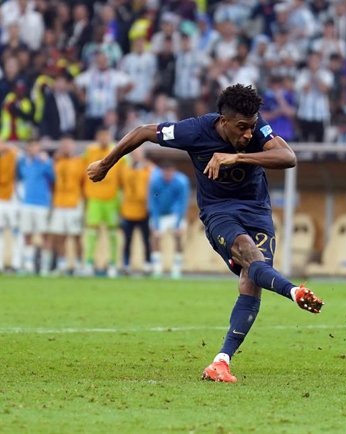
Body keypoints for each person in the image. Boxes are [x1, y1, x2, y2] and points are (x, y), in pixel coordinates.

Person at [86, 84, 324, 383]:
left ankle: (221, 361)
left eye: (251, 126)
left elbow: (287, 157)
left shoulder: (256, 126)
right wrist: (106, 164)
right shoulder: (194, 131)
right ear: (223, 121)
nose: (249, 134)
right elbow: (143, 132)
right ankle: (294, 291)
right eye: (242, 128)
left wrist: (237, 157)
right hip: (219, 212)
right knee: (251, 256)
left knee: (253, 279)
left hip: (258, 210)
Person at [83, 126, 123, 277]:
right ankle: (88, 263)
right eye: (101, 136)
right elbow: (82, 172)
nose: (103, 139)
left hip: (112, 199)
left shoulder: (118, 152)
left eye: (106, 136)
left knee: (113, 233)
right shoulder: (89, 151)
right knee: (92, 232)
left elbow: (123, 176)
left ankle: (113, 264)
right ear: (97, 137)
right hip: (94, 198)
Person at [47, 137, 85, 275]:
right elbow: (50, 182)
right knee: (58, 236)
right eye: (64, 146)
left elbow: (84, 183)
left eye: (69, 145)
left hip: (74, 203)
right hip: (59, 203)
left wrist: (83, 202)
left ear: (73, 147)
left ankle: (80, 266)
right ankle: (62, 265)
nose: (66, 148)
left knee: (76, 236)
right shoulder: (55, 162)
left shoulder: (80, 162)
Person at [17, 139, 54, 275]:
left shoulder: (45, 162)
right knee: (27, 234)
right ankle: (28, 265)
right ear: (27, 149)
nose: (33, 149)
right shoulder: (23, 162)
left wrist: (47, 163)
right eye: (30, 147)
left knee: (44, 235)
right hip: (27, 202)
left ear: (39, 148)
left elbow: (53, 179)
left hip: (42, 203)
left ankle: (45, 266)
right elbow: (20, 177)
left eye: (35, 146)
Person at [148, 161, 190, 279]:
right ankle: (157, 267)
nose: (167, 175)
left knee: (178, 237)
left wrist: (178, 223)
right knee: (155, 237)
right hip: (160, 215)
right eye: (165, 172)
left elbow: (182, 203)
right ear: (162, 172)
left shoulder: (182, 181)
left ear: (173, 171)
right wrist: (155, 224)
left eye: (169, 172)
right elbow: (153, 202)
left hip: (175, 214)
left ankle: (177, 267)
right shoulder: (155, 181)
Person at [119, 147, 154, 276]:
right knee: (127, 239)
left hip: (144, 210)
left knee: (146, 239)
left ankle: (147, 264)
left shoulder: (149, 169)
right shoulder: (125, 169)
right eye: (134, 153)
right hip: (128, 210)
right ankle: (126, 264)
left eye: (138, 153)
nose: (136, 156)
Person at [0, 140, 21, 272]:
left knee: (16, 232)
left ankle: (16, 263)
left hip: (12, 199)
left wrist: (9, 148)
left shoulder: (13, 154)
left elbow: (21, 154)